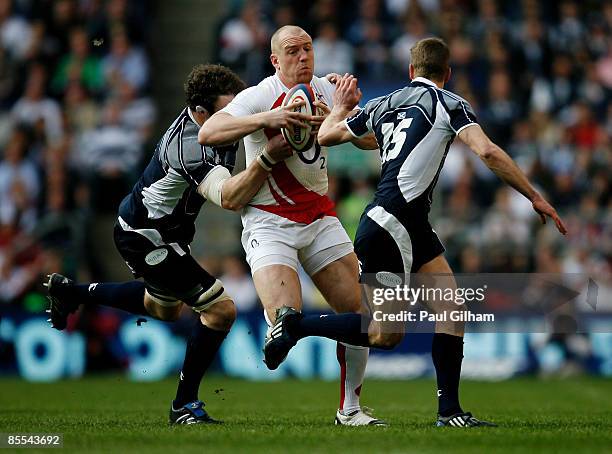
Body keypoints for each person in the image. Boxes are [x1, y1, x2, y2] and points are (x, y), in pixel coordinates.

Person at [263, 37, 568, 427]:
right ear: (448, 73)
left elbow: (327, 136)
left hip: (407, 223)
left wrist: (340, 110)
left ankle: (450, 413)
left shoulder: (384, 104)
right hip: (394, 224)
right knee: (384, 334)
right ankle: (296, 325)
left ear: (411, 71)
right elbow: (488, 151)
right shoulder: (450, 103)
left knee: (451, 310)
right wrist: (534, 196)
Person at [44, 64, 293, 425]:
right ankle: (184, 405)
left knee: (164, 309)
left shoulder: (219, 118)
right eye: (227, 111)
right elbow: (229, 197)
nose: (235, 117)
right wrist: (269, 158)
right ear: (201, 113)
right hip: (146, 237)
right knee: (221, 310)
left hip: (163, 231)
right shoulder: (191, 146)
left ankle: (74, 293)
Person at [198, 25, 384, 426]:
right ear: (275, 60)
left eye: (308, 49)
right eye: (293, 51)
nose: (303, 57)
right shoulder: (258, 96)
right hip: (268, 221)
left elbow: (369, 139)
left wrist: (344, 112)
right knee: (283, 311)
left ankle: (349, 410)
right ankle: (287, 323)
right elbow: (207, 132)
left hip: (319, 216)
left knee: (361, 314)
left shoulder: (324, 89)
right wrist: (271, 118)